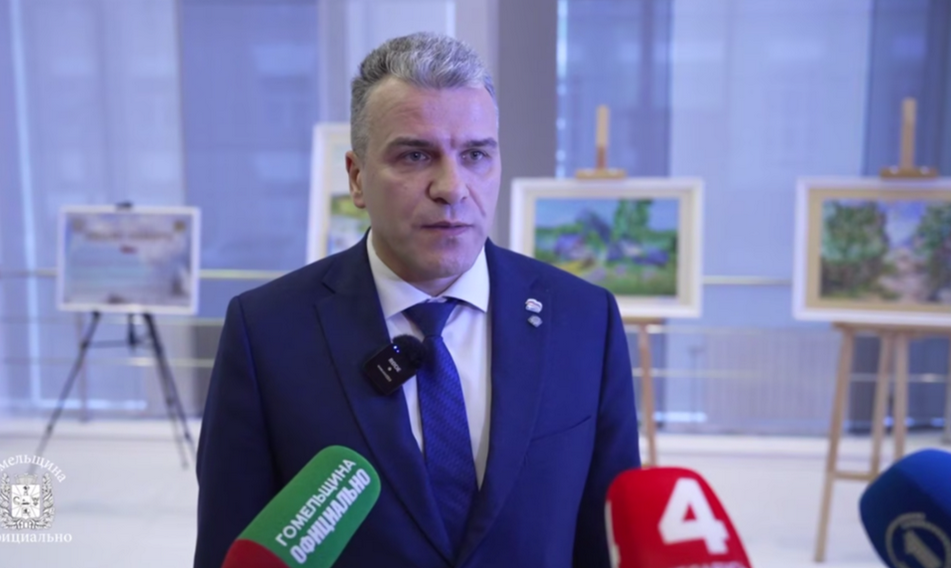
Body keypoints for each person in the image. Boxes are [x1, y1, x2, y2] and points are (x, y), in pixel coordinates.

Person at [194, 32, 640, 568]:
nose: (452, 187)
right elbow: (233, 548)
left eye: (475, 155)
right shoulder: (266, 333)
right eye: (415, 155)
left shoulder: (584, 320)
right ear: (357, 179)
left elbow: (606, 543)